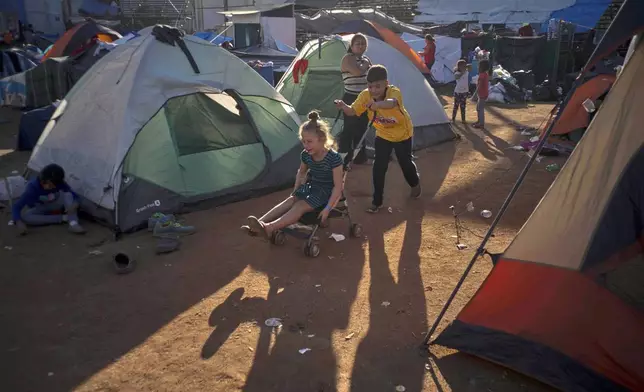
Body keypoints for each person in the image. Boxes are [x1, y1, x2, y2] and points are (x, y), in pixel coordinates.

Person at [335, 65, 421, 213]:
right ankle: (377, 201)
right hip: (382, 135)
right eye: (370, 87)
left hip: (403, 134)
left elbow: (391, 103)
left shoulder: (394, 92)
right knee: (378, 168)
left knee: (405, 163)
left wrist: (377, 105)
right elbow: (352, 111)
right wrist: (343, 106)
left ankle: (415, 183)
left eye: (377, 86)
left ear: (386, 84)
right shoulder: (364, 95)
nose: (373, 90)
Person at [246, 111, 344, 239]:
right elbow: (301, 172)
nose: (306, 145)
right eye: (303, 142)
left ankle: (269, 227)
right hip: (311, 186)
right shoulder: (305, 154)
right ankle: (258, 224)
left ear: (322, 140)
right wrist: (296, 190)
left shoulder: (334, 158)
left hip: (327, 191)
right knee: (290, 200)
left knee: (300, 205)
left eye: (309, 141)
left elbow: (338, 187)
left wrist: (327, 208)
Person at [9, 164, 86, 235]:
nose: (51, 187)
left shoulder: (59, 183)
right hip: (41, 207)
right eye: (49, 185)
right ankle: (64, 218)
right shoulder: (32, 188)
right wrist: (18, 222)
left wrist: (75, 204)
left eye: (53, 186)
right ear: (43, 180)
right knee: (27, 217)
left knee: (68, 195)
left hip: (57, 203)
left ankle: (73, 223)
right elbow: (17, 206)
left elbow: (75, 196)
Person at [339, 33, 371, 166]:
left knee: (362, 129)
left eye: (363, 43)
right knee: (349, 129)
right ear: (351, 46)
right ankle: (343, 160)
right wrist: (365, 64)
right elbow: (358, 72)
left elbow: (372, 76)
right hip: (351, 98)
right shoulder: (348, 58)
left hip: (364, 98)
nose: (360, 46)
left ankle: (360, 158)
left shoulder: (365, 59)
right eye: (357, 43)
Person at [473, 59, 490, 129]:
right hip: (482, 94)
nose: (478, 67)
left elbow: (479, 86)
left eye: (479, 66)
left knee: (480, 109)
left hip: (482, 95)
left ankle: (481, 123)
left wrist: (474, 95)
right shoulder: (485, 74)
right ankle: (479, 121)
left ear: (481, 67)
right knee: (478, 108)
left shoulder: (482, 75)